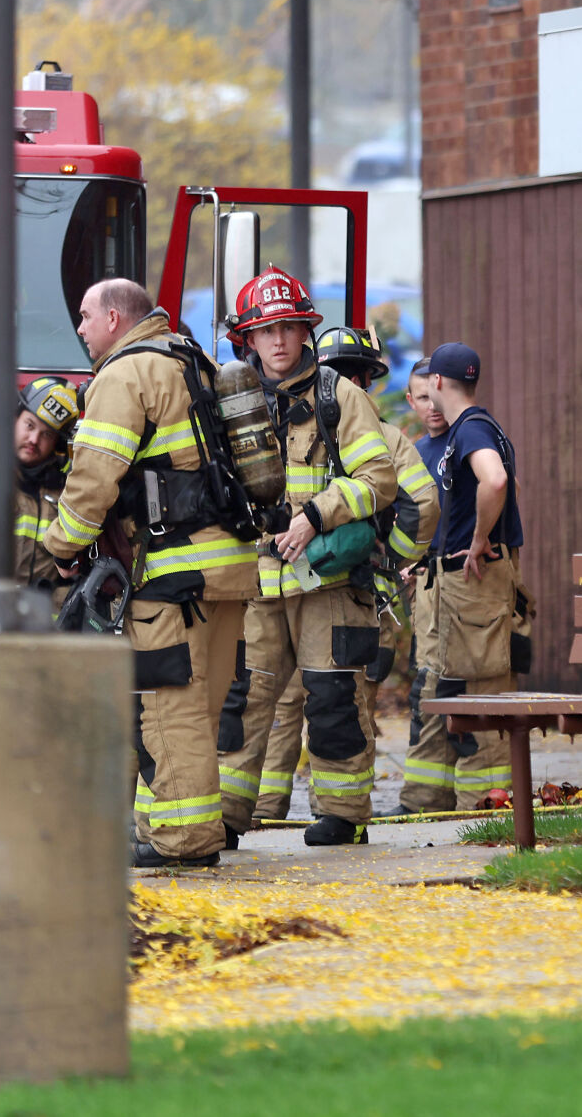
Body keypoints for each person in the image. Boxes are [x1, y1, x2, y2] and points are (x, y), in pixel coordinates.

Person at [42, 278, 259, 869]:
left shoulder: (124, 374)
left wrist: (61, 544)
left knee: (170, 709)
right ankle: (167, 827)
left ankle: (184, 842)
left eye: (85, 316)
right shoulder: (198, 360)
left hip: (171, 575)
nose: (81, 328)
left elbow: (94, 476)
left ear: (115, 318)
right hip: (230, 569)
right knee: (201, 707)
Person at [216, 266, 398, 847]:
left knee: (333, 697)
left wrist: (315, 515)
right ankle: (223, 817)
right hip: (257, 579)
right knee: (242, 699)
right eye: (265, 330)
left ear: (305, 332)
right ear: (247, 338)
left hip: (327, 580)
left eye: (289, 328)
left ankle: (342, 816)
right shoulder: (229, 402)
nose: (277, 341)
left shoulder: (338, 396)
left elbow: (378, 479)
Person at [252, 328, 439, 822]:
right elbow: (422, 504)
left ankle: (264, 809)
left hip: (271, 586)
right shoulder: (387, 435)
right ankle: (333, 811)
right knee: (340, 701)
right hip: (345, 592)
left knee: (271, 705)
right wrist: (391, 562)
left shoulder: (263, 418)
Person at [418, 342, 531, 810]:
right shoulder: (482, 426)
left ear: (438, 383)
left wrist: (482, 536)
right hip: (470, 584)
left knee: (481, 689)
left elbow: (498, 481)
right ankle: (465, 800)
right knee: (460, 684)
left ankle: (486, 804)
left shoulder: (470, 430)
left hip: (477, 580)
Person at [379, 360, 456, 816]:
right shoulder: (416, 452)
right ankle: (427, 796)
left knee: (445, 685)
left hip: (457, 583)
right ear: (410, 401)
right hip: (423, 585)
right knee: (426, 686)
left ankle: (439, 798)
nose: (432, 406)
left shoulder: (465, 440)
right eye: (421, 397)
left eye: (436, 395)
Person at [12, 376, 80, 604]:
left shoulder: (69, 492)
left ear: (57, 445)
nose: (33, 439)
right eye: (29, 425)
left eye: (47, 434)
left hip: (45, 628)